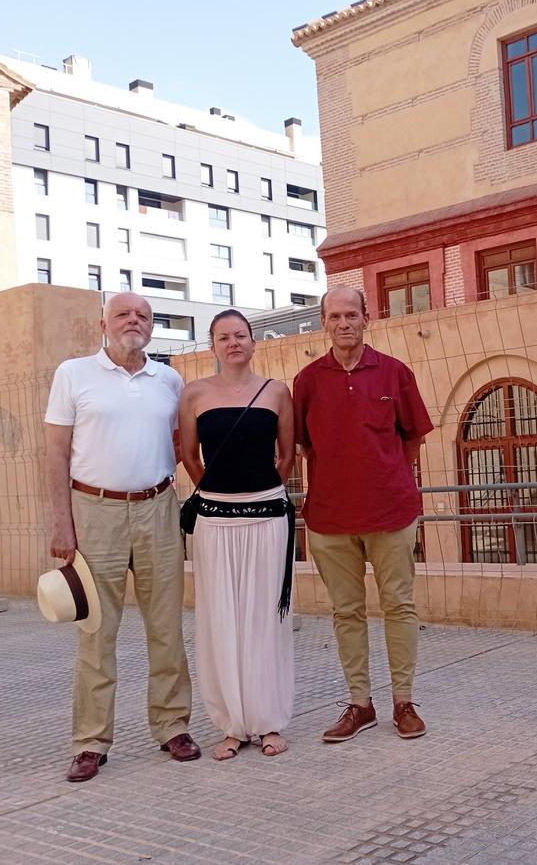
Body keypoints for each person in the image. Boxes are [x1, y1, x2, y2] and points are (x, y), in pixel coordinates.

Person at [45, 292, 199, 782]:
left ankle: (172, 725)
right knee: (96, 632)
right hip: (95, 512)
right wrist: (62, 521)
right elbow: (55, 454)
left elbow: (179, 443)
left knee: (166, 627)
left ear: (152, 328)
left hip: (158, 508)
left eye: (143, 316)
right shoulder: (73, 374)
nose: (133, 321)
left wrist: (156, 482)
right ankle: (91, 741)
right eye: (123, 314)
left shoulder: (169, 380)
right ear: (103, 324)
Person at [293, 285, 434, 741]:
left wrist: (389, 476)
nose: (343, 324)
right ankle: (360, 703)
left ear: (366, 317)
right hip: (331, 519)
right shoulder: (308, 381)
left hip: (391, 513)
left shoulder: (395, 373)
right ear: (323, 323)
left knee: (399, 606)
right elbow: (305, 445)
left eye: (351, 314)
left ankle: (404, 701)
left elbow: (413, 436)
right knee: (346, 612)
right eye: (334, 317)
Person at [178, 309, 296, 761]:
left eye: (241, 335)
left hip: (268, 517)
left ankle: (267, 722)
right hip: (214, 520)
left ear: (253, 342)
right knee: (221, 619)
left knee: (265, 620)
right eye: (224, 337)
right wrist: (218, 491)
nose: (234, 343)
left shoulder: (277, 392)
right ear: (213, 346)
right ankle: (230, 725)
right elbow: (189, 454)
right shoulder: (194, 394)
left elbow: (287, 455)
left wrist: (263, 490)